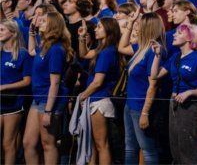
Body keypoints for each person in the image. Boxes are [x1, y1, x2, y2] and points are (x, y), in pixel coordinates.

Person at [150, 23, 197, 164]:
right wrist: (157, 55)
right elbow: (155, 75)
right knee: (176, 148)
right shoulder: (175, 57)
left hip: (190, 107)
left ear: (189, 37)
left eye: (179, 33)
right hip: (174, 104)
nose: (174, 34)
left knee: (189, 150)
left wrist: (189, 92)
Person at [23, 12, 74, 165]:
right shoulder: (45, 45)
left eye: (44, 21)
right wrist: (31, 32)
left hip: (50, 100)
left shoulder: (56, 50)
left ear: (53, 25)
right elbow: (31, 51)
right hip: (38, 97)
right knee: (28, 142)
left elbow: (55, 83)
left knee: (47, 143)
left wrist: (48, 111)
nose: (40, 22)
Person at [118, 12, 165, 165]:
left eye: (139, 25)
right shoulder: (142, 47)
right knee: (130, 148)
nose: (136, 28)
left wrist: (145, 112)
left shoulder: (155, 51)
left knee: (147, 149)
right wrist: (130, 23)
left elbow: (153, 85)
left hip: (141, 107)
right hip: (130, 105)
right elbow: (121, 47)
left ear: (148, 28)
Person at [77, 17, 121, 165]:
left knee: (102, 145)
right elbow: (84, 54)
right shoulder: (102, 49)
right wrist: (82, 37)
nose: (95, 29)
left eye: (99, 27)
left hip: (100, 101)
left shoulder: (107, 52)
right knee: (94, 145)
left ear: (109, 30)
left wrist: (82, 96)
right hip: (96, 99)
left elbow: (97, 82)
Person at [0, 20, 32, 165]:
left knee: (8, 143)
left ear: (13, 33)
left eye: (2, 30)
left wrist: (5, 87)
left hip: (13, 103)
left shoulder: (23, 54)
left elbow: (27, 81)